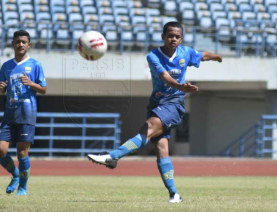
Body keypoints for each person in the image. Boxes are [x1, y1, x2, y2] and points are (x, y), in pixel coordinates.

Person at [87, 22, 222, 203]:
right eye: (170, 35)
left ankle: (113, 156)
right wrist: (182, 86)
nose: (173, 39)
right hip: (157, 104)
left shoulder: (185, 53)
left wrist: (216, 57)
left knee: (148, 128)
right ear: (163, 36)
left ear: (181, 39)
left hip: (174, 104)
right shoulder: (153, 56)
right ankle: (175, 194)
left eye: (177, 36)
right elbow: (166, 78)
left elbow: (202, 55)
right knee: (161, 149)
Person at [0, 30, 47, 195]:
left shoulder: (35, 65)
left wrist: (31, 83)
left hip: (27, 114)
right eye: (18, 41)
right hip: (9, 114)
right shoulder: (6, 66)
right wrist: (0, 88)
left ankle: (23, 187)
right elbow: (0, 89)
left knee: (22, 152)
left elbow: (44, 89)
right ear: (13, 44)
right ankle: (15, 175)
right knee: (0, 150)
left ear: (29, 45)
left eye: (24, 42)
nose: (21, 44)